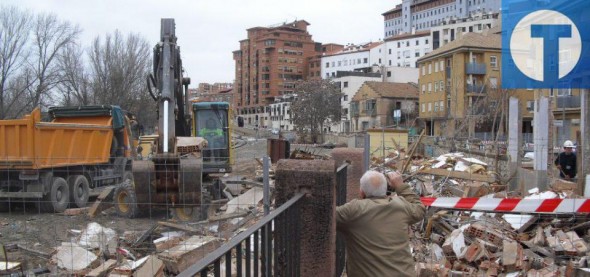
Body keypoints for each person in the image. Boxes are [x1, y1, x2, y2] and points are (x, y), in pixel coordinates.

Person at [336, 170, 425, 276]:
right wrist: (401, 186)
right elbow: (419, 209)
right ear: (385, 189)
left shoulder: (353, 210)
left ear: (362, 192)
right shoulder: (400, 205)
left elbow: (325, 215)